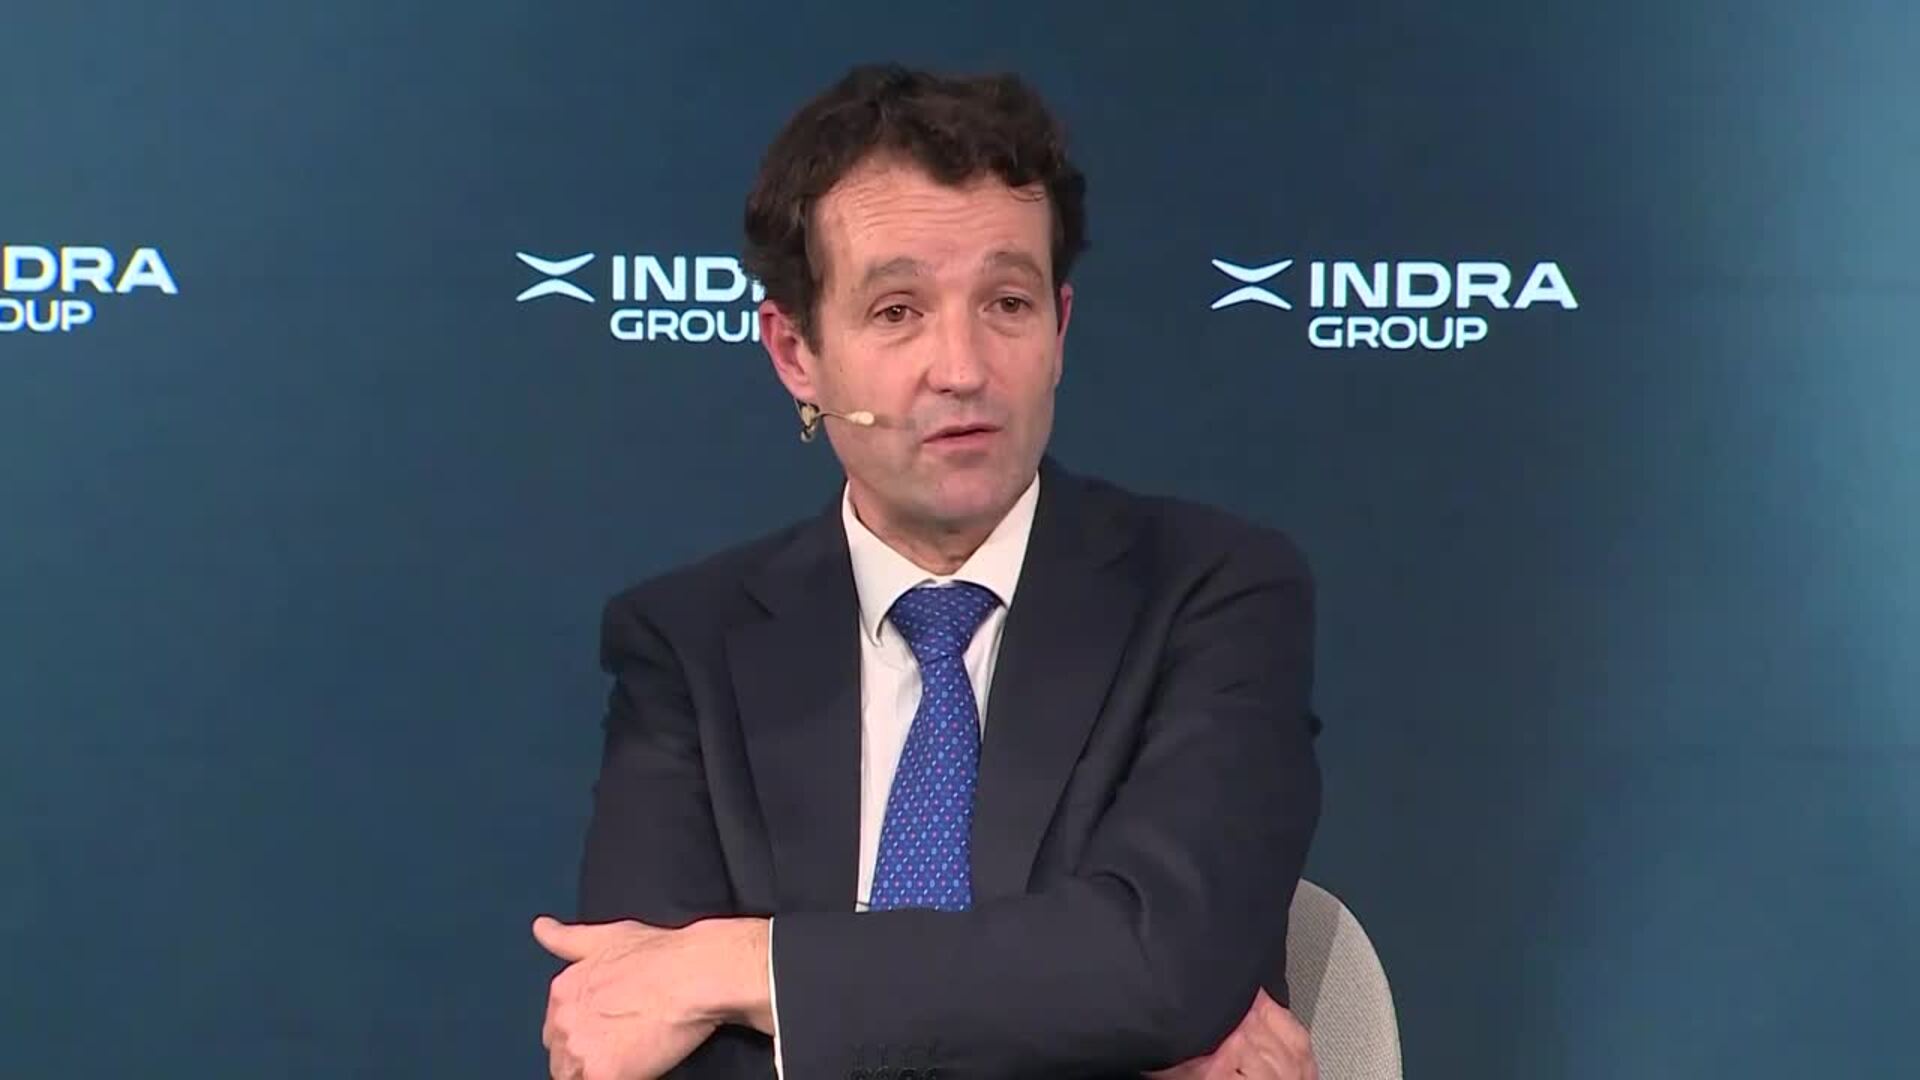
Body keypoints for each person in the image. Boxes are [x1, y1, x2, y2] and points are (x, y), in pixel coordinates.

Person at [534, 64, 1323, 1080]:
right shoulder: (686, 646)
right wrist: (1093, 1042)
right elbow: (641, 1036)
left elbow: (1160, 967)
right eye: (898, 310)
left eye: (1007, 302)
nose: (962, 368)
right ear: (795, 352)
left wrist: (744, 965)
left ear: (1060, 330)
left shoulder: (1212, 593)